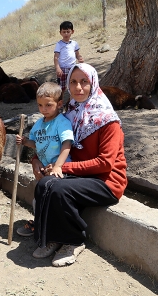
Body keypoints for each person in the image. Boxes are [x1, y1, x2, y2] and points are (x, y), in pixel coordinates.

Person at [22, 63, 127, 267]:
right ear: (67, 85)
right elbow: (50, 143)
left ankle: (73, 241)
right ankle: (51, 236)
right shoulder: (69, 113)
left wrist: (62, 167)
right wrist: (36, 161)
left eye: (84, 82)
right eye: (73, 82)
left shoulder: (107, 120)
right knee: (45, 184)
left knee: (58, 189)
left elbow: (105, 163)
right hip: (81, 175)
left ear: (93, 83)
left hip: (105, 181)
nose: (78, 87)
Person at [15, 81, 74, 237]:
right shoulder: (39, 124)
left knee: (51, 199)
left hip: (58, 169)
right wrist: (26, 142)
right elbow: (36, 143)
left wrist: (58, 166)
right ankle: (40, 222)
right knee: (39, 199)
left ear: (59, 104)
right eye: (40, 105)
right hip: (43, 169)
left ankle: (50, 227)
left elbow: (67, 144)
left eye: (48, 105)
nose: (43, 109)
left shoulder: (62, 123)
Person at [54, 21, 84, 93]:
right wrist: (57, 68)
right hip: (63, 69)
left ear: (72, 31)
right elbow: (56, 57)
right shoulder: (59, 44)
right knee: (61, 88)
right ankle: (60, 103)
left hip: (73, 68)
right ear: (60, 32)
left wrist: (80, 58)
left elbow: (77, 54)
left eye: (68, 31)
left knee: (73, 86)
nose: (66, 34)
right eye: (64, 32)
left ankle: (72, 102)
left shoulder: (74, 43)